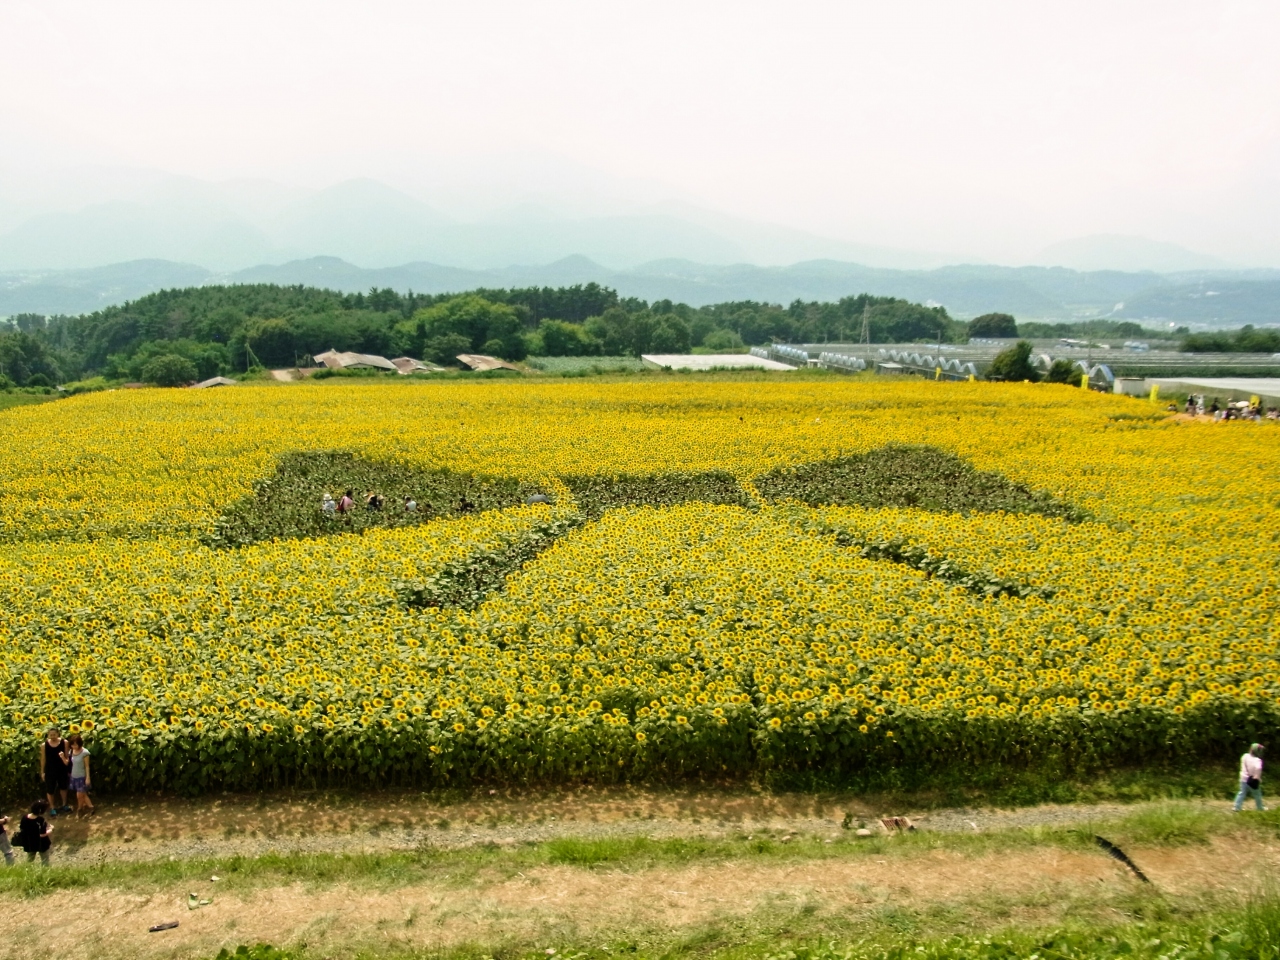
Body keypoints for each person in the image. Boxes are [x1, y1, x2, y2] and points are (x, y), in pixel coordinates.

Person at [40, 728, 70, 816]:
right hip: (50, 770)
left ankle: (64, 804)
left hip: (62, 769)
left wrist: (68, 768)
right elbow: (43, 759)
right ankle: (52, 807)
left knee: (63, 787)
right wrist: (42, 771)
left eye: (54, 735)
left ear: (58, 734)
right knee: (50, 789)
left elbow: (67, 756)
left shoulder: (64, 742)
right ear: (48, 735)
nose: (53, 736)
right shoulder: (44, 745)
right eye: (51, 735)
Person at [67, 735, 93, 818]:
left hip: (82, 776)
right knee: (83, 794)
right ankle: (91, 807)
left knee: (79, 795)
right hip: (74, 776)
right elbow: (69, 763)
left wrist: (87, 777)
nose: (74, 746)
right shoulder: (71, 751)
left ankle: (80, 809)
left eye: (76, 744)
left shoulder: (85, 752)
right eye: (72, 744)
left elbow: (87, 766)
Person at [1235, 743, 1266, 812]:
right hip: (1252, 780)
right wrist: (1257, 777)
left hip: (1243, 778)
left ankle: (1237, 807)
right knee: (1257, 794)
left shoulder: (1244, 756)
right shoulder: (1257, 760)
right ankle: (1260, 807)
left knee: (1241, 793)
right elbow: (1258, 768)